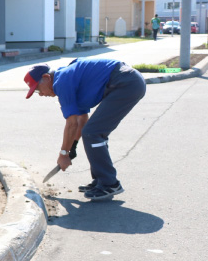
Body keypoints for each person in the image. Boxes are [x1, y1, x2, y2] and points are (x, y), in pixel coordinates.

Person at [24, 58, 146, 201]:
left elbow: (71, 124)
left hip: (125, 83)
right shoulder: (67, 79)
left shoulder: (61, 82)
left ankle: (109, 184)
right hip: (126, 82)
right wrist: (73, 147)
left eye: (38, 89)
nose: (40, 94)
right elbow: (81, 120)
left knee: (93, 133)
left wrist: (64, 154)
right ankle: (101, 180)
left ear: (46, 77)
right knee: (92, 132)